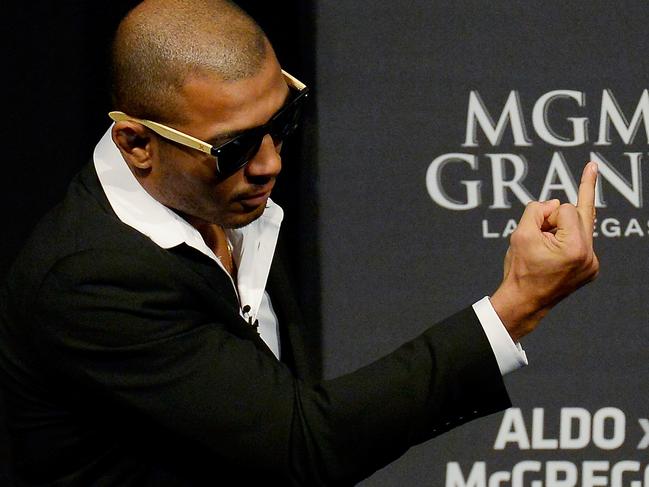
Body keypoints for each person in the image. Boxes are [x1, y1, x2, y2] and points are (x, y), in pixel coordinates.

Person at [0, 0, 599, 485]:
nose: (269, 164)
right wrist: (517, 304)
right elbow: (302, 445)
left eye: (283, 122)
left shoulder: (214, 200)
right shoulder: (92, 277)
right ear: (136, 143)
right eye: (232, 149)